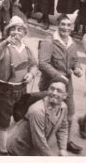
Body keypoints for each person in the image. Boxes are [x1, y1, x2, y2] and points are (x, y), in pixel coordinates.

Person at [0, 15, 37, 156]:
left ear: (24, 33)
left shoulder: (27, 49)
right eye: (13, 29)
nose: (16, 32)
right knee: (3, 119)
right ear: (8, 31)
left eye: (20, 29)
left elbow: (34, 65)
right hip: (4, 89)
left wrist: (31, 74)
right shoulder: (3, 47)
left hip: (21, 89)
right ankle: (4, 150)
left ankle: (0, 131)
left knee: (19, 116)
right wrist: (4, 43)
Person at [38, 14, 83, 154]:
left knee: (69, 115)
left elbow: (75, 59)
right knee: (45, 115)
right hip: (50, 85)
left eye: (69, 25)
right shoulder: (49, 41)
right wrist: (60, 76)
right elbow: (42, 64)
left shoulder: (71, 42)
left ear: (72, 27)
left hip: (67, 86)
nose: (66, 27)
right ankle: (40, 143)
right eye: (63, 24)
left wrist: (78, 68)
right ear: (58, 25)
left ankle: (66, 142)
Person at [7, 80, 68, 156]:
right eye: (52, 89)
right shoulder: (37, 110)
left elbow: (63, 127)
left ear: (65, 95)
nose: (54, 93)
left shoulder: (63, 107)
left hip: (35, 151)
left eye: (59, 91)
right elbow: (39, 141)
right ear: (48, 90)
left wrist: (62, 149)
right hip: (20, 151)